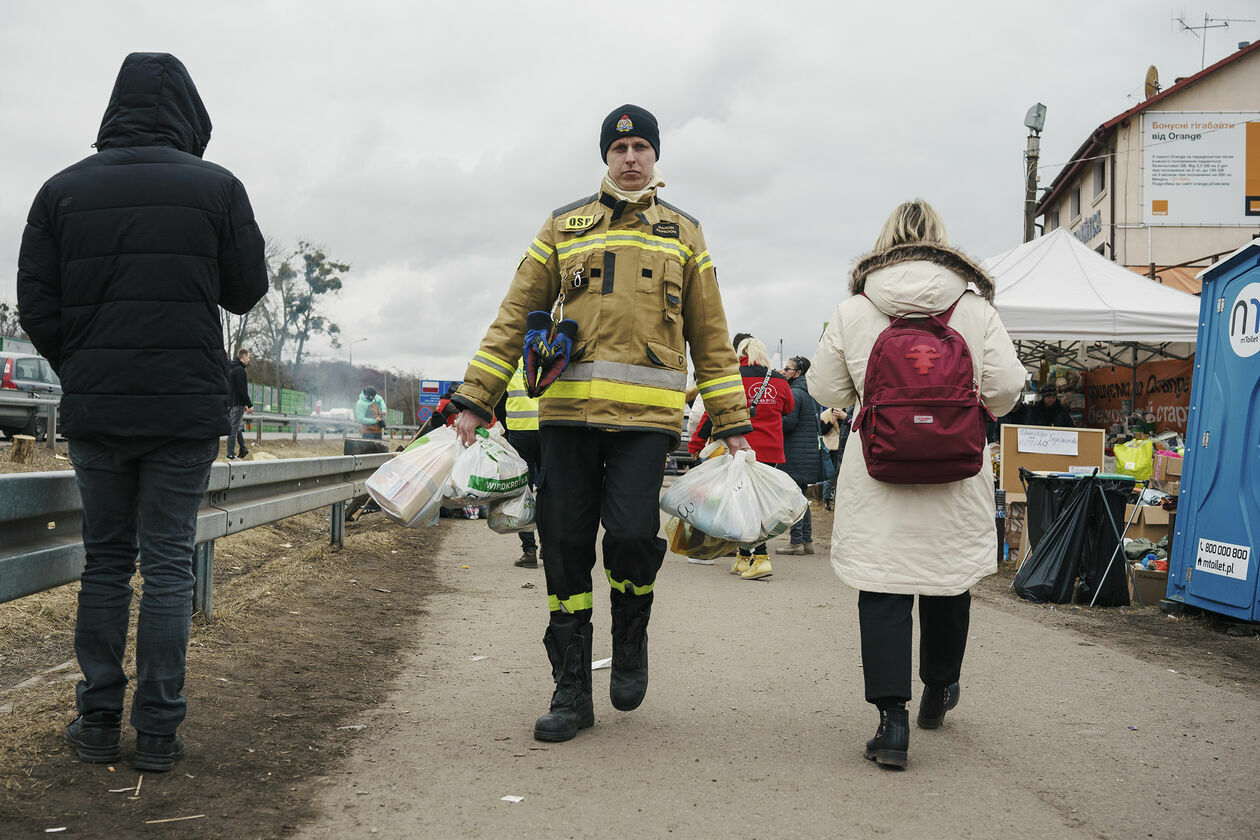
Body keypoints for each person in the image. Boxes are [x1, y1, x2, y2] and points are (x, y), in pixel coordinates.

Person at [450, 104, 752, 743]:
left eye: (642, 146)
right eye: (620, 149)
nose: (631, 157)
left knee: (634, 539)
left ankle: (631, 638)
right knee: (563, 547)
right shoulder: (564, 226)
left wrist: (730, 420)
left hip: (647, 423)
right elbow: (515, 314)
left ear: (656, 156)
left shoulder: (684, 233)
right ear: (605, 158)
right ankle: (570, 689)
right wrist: (477, 397)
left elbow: (710, 332)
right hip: (568, 418)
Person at [17, 52, 267, 772]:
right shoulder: (217, 188)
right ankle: (157, 731)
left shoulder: (59, 190)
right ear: (190, 113)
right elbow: (245, 291)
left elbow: (37, 303)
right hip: (186, 408)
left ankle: (96, 725)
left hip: (97, 410)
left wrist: (85, 368)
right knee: (166, 566)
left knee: (104, 564)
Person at [808, 199, 1023, 769]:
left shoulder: (854, 309)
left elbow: (826, 390)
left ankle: (891, 723)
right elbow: (1005, 392)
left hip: (878, 473)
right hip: (957, 473)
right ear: (942, 243)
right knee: (948, 580)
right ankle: (939, 689)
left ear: (884, 245)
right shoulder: (974, 309)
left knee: (883, 588)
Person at [689, 336, 793, 579]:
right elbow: (788, 409)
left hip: (741, 450)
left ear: (740, 353)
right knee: (758, 502)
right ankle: (743, 558)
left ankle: (761, 558)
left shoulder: (734, 377)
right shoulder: (778, 379)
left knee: (744, 505)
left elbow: (714, 413)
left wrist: (696, 441)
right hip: (771, 452)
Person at [777, 356, 823, 555]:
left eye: (787, 369)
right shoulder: (808, 391)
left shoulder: (795, 392)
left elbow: (789, 422)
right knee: (802, 498)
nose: (784, 371)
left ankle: (796, 542)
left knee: (794, 498)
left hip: (795, 453)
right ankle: (807, 541)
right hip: (807, 453)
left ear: (798, 373)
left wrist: (774, 416)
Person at [504, 365, 542, 568]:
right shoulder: (552, 355)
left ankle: (529, 551)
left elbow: (500, 399)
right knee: (549, 490)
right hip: (548, 429)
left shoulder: (512, 360)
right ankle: (550, 545)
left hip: (519, 432)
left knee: (522, 492)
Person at [226, 348, 254, 460]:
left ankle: (243, 448)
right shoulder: (240, 371)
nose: (249, 359)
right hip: (237, 404)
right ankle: (230, 454)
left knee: (235, 427)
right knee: (233, 428)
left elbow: (236, 389)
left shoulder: (232, 368)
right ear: (243, 356)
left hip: (232, 403)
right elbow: (242, 390)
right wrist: (249, 404)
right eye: (248, 357)